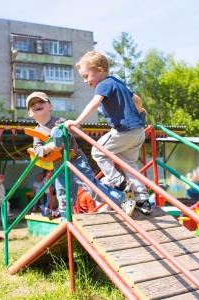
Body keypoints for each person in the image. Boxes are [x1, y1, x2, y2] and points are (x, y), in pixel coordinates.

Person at [64, 51, 152, 215]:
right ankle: (143, 200)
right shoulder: (117, 83)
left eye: (86, 76)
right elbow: (138, 99)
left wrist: (76, 122)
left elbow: (94, 103)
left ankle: (120, 184)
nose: (85, 81)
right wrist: (141, 112)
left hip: (123, 131)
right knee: (129, 165)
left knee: (97, 151)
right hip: (138, 132)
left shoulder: (103, 84)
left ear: (99, 70)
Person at [26, 91, 135, 218]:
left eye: (41, 102)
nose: (37, 104)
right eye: (32, 104)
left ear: (50, 106)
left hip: (75, 160)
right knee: (63, 195)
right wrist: (51, 146)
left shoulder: (60, 121)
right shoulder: (37, 132)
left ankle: (123, 199)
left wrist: (66, 127)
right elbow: (37, 151)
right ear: (29, 113)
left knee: (91, 188)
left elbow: (78, 131)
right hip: (59, 166)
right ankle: (65, 220)